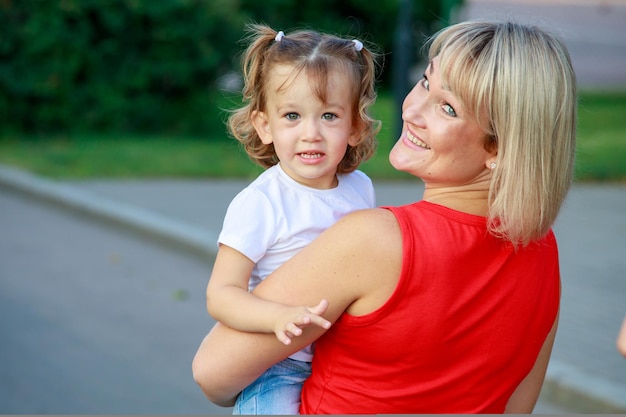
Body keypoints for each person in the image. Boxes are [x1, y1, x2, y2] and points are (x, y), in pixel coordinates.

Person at [192, 19, 577, 414]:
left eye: (448, 108)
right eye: (426, 82)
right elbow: (517, 405)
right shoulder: (543, 251)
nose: (412, 110)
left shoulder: (372, 239)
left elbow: (213, 372)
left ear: (498, 147)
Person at [204, 24, 380, 414]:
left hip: (343, 358)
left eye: (330, 116)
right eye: (293, 116)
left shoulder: (360, 188)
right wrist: (277, 317)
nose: (311, 133)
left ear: (355, 126)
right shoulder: (261, 203)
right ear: (265, 125)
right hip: (277, 364)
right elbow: (221, 294)